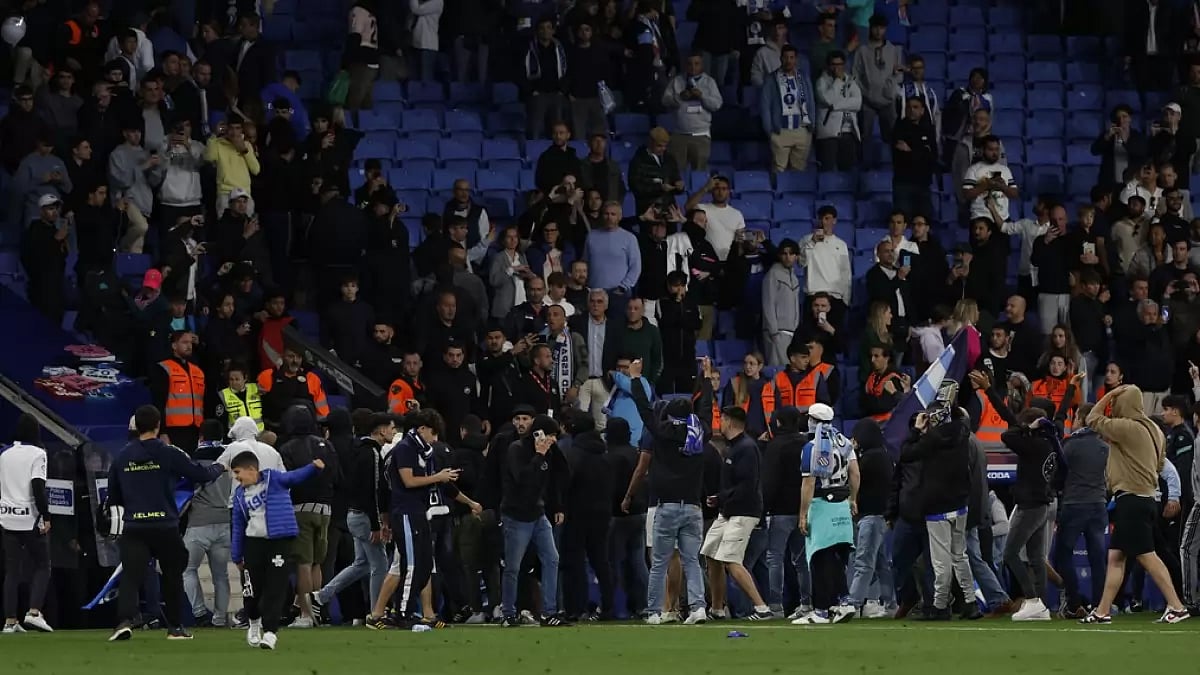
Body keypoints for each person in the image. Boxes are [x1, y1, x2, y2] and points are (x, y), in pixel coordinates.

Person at [105, 405, 226, 642]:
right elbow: (201, 475)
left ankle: (124, 622)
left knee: (131, 576)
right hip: (165, 525)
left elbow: (114, 496)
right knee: (172, 575)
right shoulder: (169, 452)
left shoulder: (121, 457)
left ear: (135, 427)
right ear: (159, 425)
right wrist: (222, 465)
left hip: (135, 526)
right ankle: (175, 628)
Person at [1082, 385, 1191, 624]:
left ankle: (1176, 606)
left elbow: (1092, 419)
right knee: (1116, 557)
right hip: (1145, 498)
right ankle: (1102, 611)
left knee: (1147, 556)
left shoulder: (1128, 427)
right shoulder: (1155, 430)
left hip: (1132, 498)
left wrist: (1108, 395)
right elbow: (1161, 463)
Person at [622, 360, 709, 625]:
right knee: (691, 560)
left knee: (659, 562)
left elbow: (644, 409)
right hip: (693, 506)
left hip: (666, 505)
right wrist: (705, 378)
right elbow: (707, 406)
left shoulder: (661, 432)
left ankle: (654, 611)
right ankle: (698, 608)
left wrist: (636, 379)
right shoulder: (701, 432)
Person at [230, 450, 326, 650]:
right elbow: (238, 525)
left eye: (238, 472)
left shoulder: (274, 479)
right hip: (253, 544)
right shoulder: (239, 494)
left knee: (276, 587)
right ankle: (254, 622)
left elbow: (294, 477)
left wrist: (313, 468)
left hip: (279, 542)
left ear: (251, 469)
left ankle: (271, 632)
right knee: (252, 590)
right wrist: (237, 554)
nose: (236, 478)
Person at [309, 413, 394, 622]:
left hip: (353, 514)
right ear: (381, 430)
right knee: (380, 565)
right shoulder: (372, 454)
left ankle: (320, 596)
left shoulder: (358, 450)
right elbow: (372, 490)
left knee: (361, 564)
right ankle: (377, 612)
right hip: (365, 517)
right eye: (391, 428)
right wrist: (377, 523)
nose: (394, 432)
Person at [899, 404, 979, 621]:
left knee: (941, 561)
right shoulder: (962, 433)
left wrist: (917, 431)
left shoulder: (930, 441)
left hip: (937, 507)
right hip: (960, 503)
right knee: (959, 556)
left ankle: (940, 605)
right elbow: (962, 416)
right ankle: (970, 603)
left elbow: (905, 454)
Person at [498, 414, 571, 627]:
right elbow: (523, 479)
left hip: (537, 514)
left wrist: (558, 506)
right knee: (513, 566)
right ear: (538, 434)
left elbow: (562, 475)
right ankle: (508, 613)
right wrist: (539, 455)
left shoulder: (550, 452)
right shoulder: (516, 450)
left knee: (552, 558)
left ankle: (549, 612)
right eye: (550, 435)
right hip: (516, 515)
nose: (553, 440)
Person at [703, 406, 772, 621]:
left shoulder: (747, 448)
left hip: (744, 511)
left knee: (731, 560)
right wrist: (721, 499)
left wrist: (723, 497)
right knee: (711, 554)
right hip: (728, 511)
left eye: (721, 420)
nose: (719, 424)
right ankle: (717, 608)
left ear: (729, 421)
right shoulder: (734, 447)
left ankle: (761, 608)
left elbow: (747, 485)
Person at [792, 403, 858, 624]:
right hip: (842, 503)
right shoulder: (845, 442)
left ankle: (820, 610)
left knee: (820, 558)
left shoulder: (813, 447)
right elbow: (855, 472)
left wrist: (803, 514)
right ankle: (844, 601)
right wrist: (853, 498)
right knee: (837, 557)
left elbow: (809, 483)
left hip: (822, 504)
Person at [0, 414, 53, 633]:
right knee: (43, 565)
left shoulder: (4, 454)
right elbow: (38, 487)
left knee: (12, 571)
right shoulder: (38, 454)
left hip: (6, 517)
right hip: (29, 518)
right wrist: (46, 515)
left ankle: (10, 622)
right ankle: (33, 613)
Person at [846, 418, 895, 618]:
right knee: (881, 561)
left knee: (864, 561)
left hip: (871, 516)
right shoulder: (882, 454)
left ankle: (854, 603)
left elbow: (856, 478)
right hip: (879, 516)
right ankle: (889, 603)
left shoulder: (871, 458)